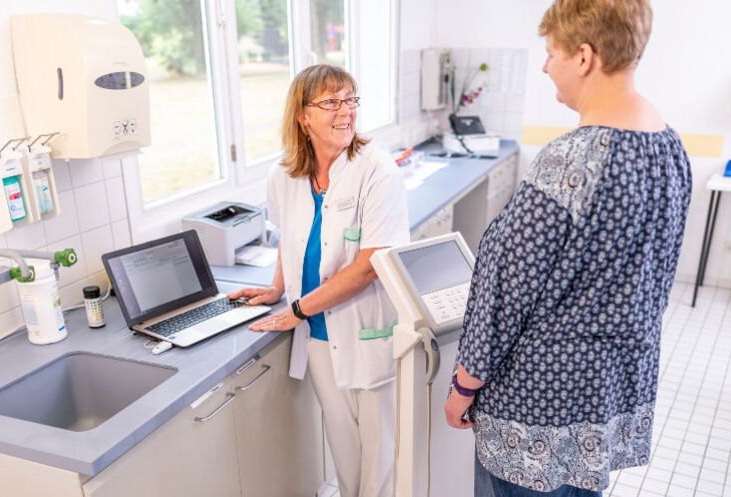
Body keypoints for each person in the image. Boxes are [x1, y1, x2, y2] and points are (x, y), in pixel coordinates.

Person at [443, 0, 692, 495]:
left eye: (551, 53)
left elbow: (504, 291)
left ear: (584, 57)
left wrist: (464, 385)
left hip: (536, 414)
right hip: (603, 401)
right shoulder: (668, 148)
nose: (544, 66)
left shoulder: (570, 162)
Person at [228, 64, 408, 497]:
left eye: (351, 100)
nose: (345, 112)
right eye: (331, 102)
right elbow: (289, 241)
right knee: (345, 452)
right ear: (303, 117)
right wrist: (277, 288)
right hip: (320, 338)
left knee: (381, 459)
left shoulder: (376, 171)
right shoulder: (284, 176)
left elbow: (369, 266)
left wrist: (295, 310)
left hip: (369, 332)